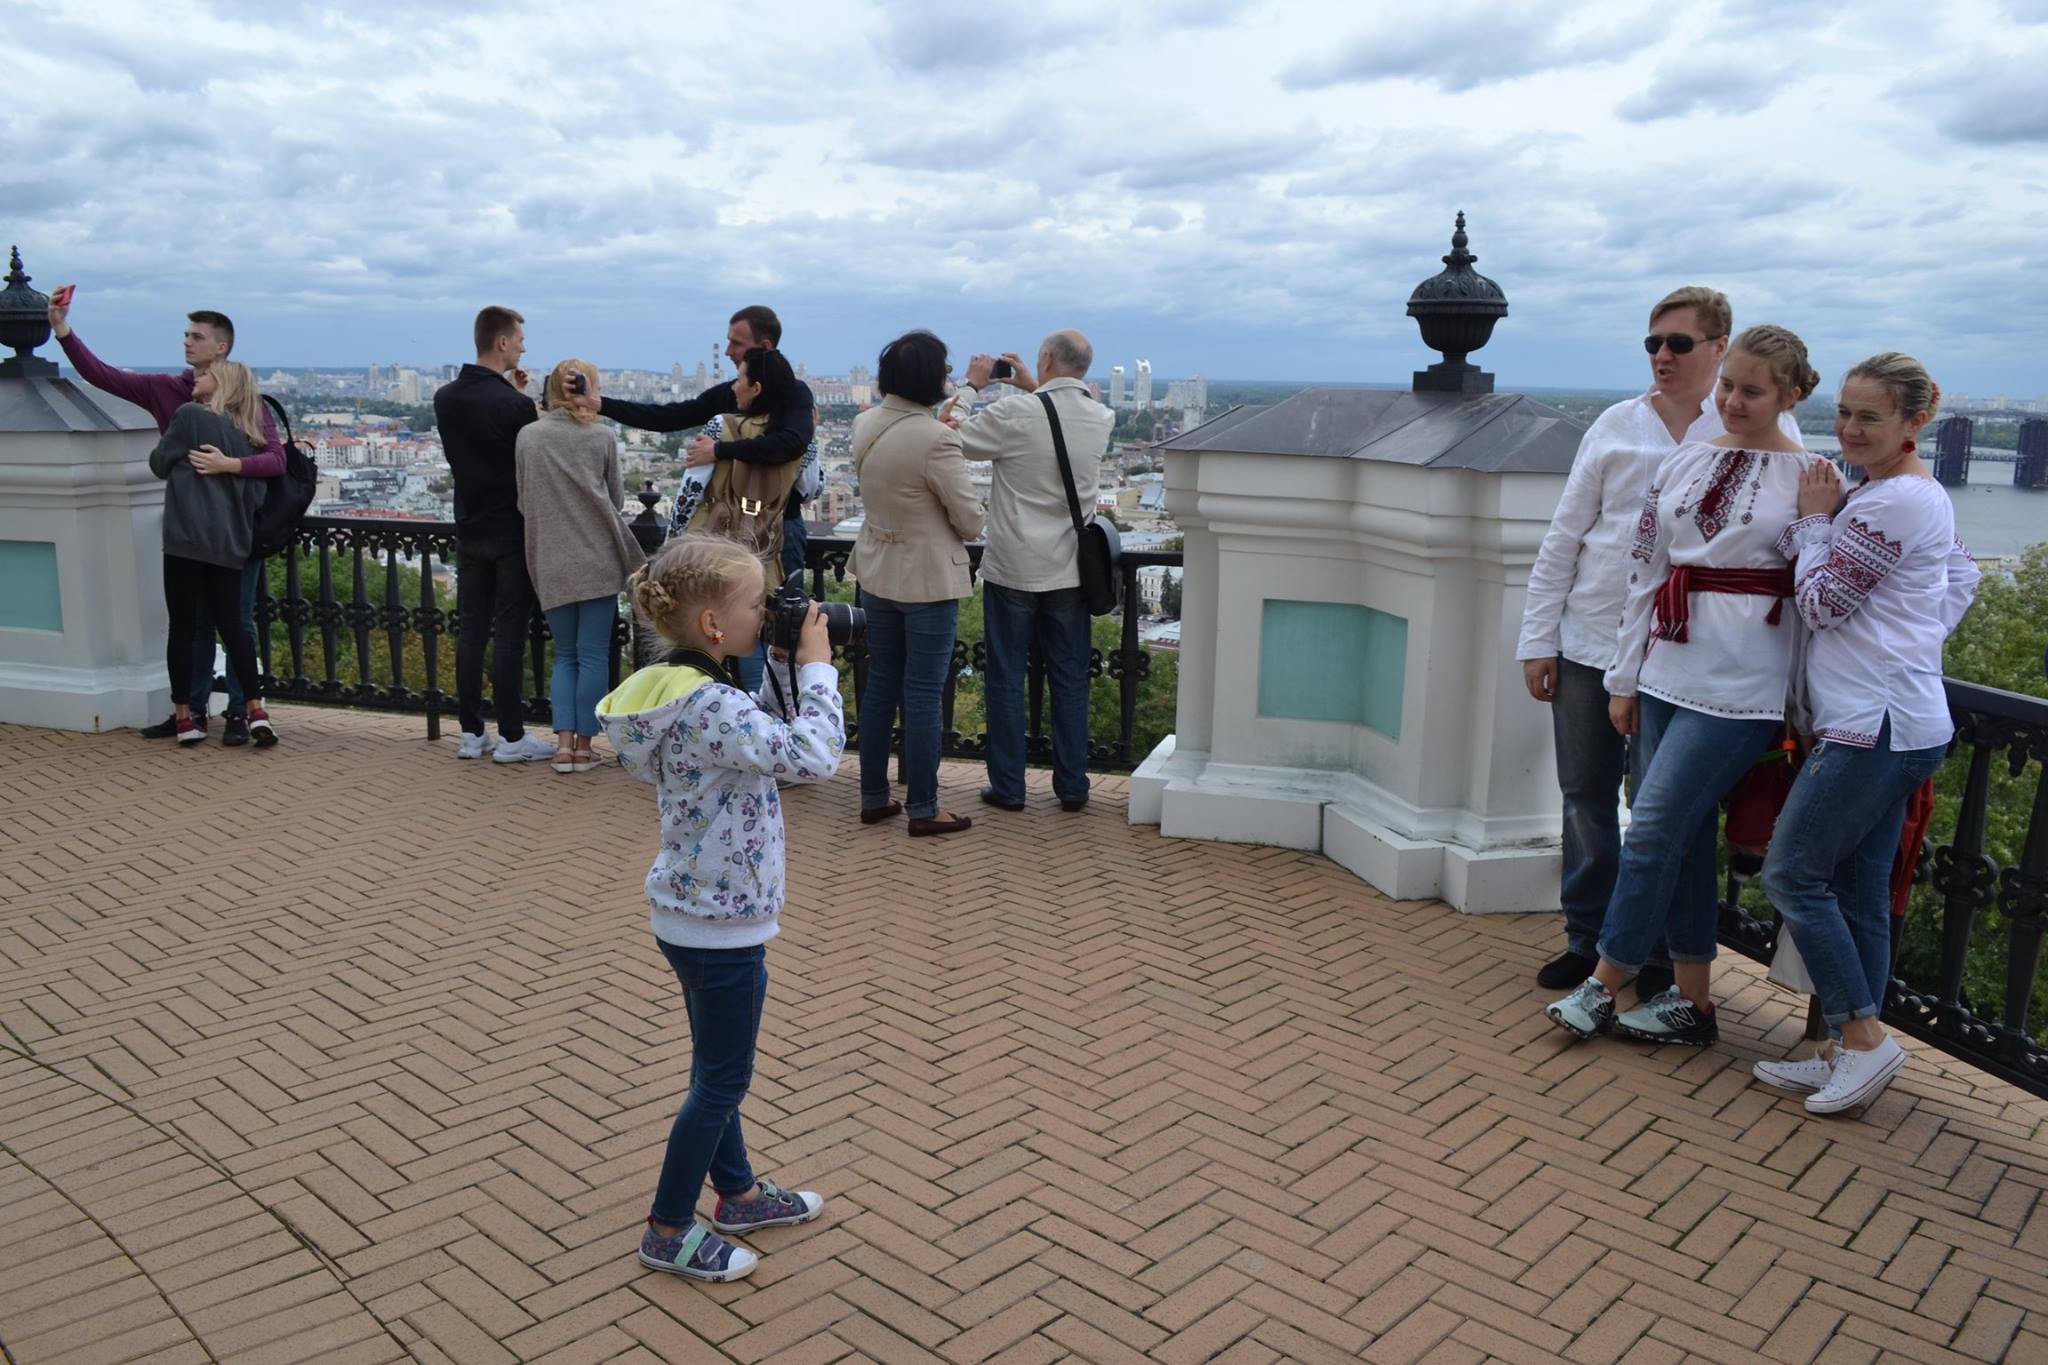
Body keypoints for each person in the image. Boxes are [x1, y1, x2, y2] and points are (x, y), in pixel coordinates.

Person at [1545, 324, 1827, 1046]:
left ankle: (1604, 983)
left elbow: (1821, 601)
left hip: (1744, 685)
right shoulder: (1685, 461)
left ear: (1790, 395)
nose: (1731, 400)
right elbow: (1646, 572)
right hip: (1666, 669)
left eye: (1752, 391)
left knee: (1655, 828)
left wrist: (1821, 527)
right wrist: (1625, 676)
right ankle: (1693, 1004)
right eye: (1728, 384)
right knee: (1687, 835)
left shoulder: (1815, 480)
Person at [597, 534, 843, 1283]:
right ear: (712, 624)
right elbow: (814, 755)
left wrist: (775, 658)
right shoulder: (709, 703)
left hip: (692, 911)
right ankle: (668, 1228)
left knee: (714, 1069)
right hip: (722, 926)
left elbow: (762, 735)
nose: (766, 613)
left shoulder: (681, 689)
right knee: (721, 1082)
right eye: (754, 606)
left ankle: (734, 1194)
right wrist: (818, 664)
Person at [1753, 354, 1979, 1115]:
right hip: (1895, 717)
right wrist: (1911, 641)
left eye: (1869, 416)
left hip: (1872, 728)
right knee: (1857, 893)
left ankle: (1866, 1037)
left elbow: (1818, 604)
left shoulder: (1892, 504)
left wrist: (1815, 523)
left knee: (1790, 873)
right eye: (1845, 412)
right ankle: (1847, 1050)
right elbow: (1963, 578)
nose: (1848, 429)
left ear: (1916, 422)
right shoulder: (1904, 494)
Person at [48, 287, 286, 744]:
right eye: (186, 334)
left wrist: (229, 465)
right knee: (201, 622)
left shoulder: (244, 400)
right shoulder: (166, 389)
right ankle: (196, 709)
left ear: (221, 347)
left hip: (234, 528)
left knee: (233, 618)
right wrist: (63, 331)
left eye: (196, 336)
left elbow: (275, 460)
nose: (186, 342)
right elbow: (101, 375)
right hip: (200, 525)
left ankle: (237, 712)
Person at [580, 306, 814, 694]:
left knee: (762, 633)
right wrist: (601, 405)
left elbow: (792, 444)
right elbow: (671, 415)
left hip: (770, 534)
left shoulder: (786, 398)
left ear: (763, 347)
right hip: (760, 532)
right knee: (760, 635)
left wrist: (722, 451)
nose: (727, 352)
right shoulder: (738, 398)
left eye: (736, 344)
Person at [951, 330, 1113, 814]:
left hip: (1014, 567)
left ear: (1044, 359)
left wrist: (974, 384)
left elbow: (949, 432)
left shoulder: (1013, 414)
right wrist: (1032, 385)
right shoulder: (1101, 417)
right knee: (1069, 679)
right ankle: (1072, 786)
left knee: (1005, 678)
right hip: (1070, 572)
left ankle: (1009, 787)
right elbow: (1057, 416)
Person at [848, 331, 986, 836]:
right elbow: (970, 522)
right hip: (927, 580)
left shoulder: (864, 424)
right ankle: (924, 808)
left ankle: (873, 796)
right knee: (924, 694)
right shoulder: (936, 438)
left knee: (881, 685)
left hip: (877, 571)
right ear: (932, 379)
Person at [435, 306, 555, 764]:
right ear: (502, 342)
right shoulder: (514, 405)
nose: (524, 345)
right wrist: (527, 406)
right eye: (520, 338)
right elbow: (530, 458)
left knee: (471, 630)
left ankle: (470, 732)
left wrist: (516, 397)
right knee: (508, 633)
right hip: (511, 529)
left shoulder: (446, 398)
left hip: (469, 526)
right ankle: (511, 736)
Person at [516, 360, 646, 773]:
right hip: (597, 558)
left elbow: (524, 501)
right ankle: (585, 748)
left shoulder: (528, 437)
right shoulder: (602, 437)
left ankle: (562, 746)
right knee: (592, 656)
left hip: (550, 559)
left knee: (564, 655)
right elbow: (618, 500)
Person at [146, 363, 278, 746]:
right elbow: (257, 493)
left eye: (202, 376)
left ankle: (186, 717)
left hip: (187, 539)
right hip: (230, 542)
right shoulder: (248, 431)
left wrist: (182, 464)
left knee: (184, 627)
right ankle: (255, 710)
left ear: (220, 383)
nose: (193, 379)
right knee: (235, 626)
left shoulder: (189, 415)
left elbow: (158, 463)